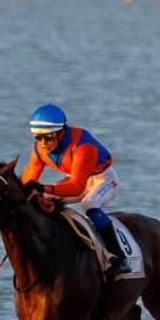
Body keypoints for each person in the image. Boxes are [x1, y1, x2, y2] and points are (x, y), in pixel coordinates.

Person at [21, 104, 130, 276]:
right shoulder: (39, 149)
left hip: (104, 179)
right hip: (77, 178)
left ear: (61, 133)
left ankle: (119, 257)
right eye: (38, 138)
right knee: (44, 199)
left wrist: (43, 187)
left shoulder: (83, 146)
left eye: (48, 138)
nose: (43, 144)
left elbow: (77, 187)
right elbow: (28, 180)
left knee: (90, 203)